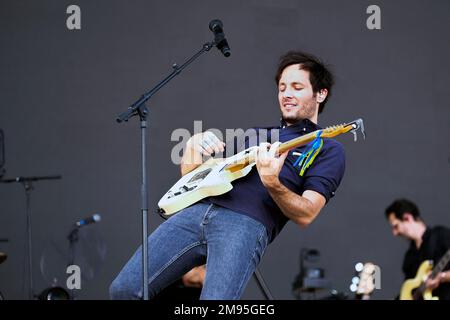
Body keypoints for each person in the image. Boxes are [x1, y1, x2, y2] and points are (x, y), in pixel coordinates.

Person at [110, 51, 346, 300]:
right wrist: (191, 150)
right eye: (282, 87)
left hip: (245, 224)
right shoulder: (254, 134)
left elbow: (307, 214)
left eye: (297, 87)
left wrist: (272, 183)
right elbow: (193, 184)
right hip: (196, 212)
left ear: (321, 93)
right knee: (125, 289)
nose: (286, 94)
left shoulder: (328, 148)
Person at [385, 198, 450, 299]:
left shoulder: (440, 235)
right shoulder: (409, 257)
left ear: (407, 218)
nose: (395, 233)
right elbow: (407, 293)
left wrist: (442, 277)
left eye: (396, 226)